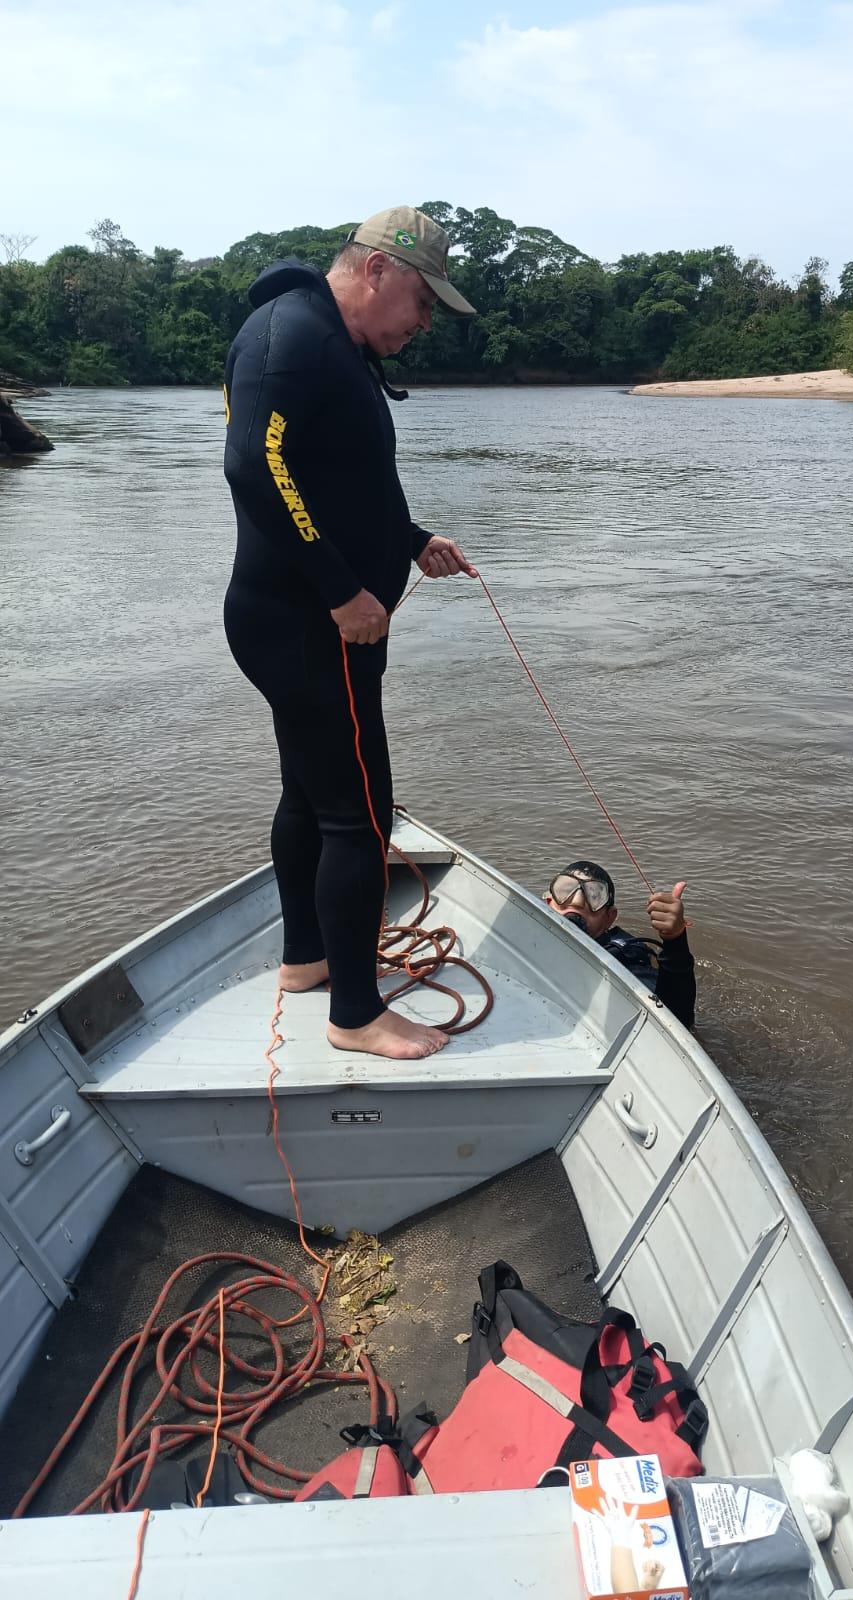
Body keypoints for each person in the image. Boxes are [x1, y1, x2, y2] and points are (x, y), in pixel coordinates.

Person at [222, 206, 477, 1062]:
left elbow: (344, 480)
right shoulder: (289, 334)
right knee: (360, 813)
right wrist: (341, 591)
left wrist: (409, 543)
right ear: (376, 270)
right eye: (422, 300)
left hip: (309, 621)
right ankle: (358, 1014)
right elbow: (258, 464)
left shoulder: (337, 346)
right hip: (305, 622)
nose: (425, 321)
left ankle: (306, 959)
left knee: (314, 793)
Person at [545, 861, 696, 1029]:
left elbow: (675, 1020)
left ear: (609, 917)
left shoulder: (623, 960)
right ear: (548, 902)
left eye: (594, 896)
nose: (577, 901)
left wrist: (675, 940)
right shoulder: (523, 933)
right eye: (566, 890)